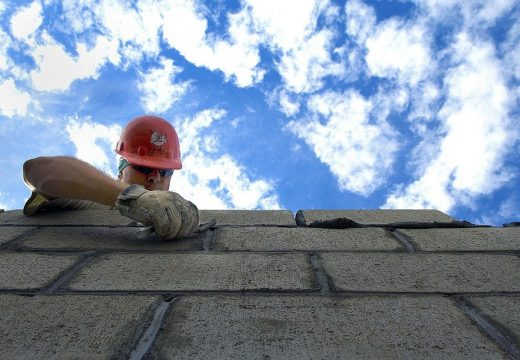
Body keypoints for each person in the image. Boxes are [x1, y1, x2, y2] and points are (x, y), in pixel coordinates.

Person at [22, 115, 200, 240]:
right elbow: (36, 170)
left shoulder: (176, 218)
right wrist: (133, 197)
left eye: (165, 171)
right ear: (122, 171)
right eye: (143, 168)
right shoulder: (91, 198)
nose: (155, 178)